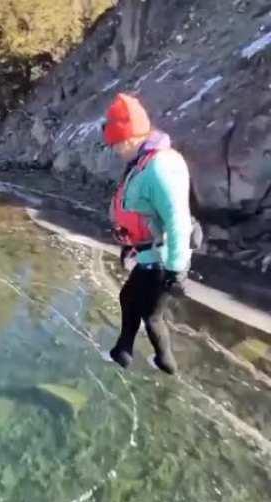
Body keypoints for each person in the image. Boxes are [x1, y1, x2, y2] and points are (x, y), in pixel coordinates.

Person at [103, 92, 195, 375]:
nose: (116, 150)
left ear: (130, 138)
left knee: (151, 315)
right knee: (129, 298)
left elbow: (178, 219)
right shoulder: (143, 162)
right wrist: (129, 244)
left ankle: (165, 363)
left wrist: (176, 270)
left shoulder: (161, 167)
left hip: (161, 260)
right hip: (147, 256)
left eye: (117, 144)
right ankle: (124, 351)